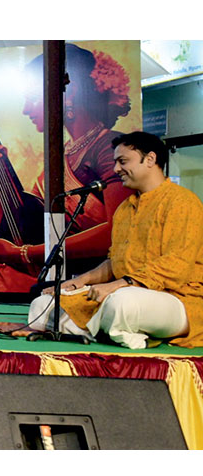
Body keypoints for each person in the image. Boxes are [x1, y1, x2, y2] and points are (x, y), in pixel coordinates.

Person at [0, 43, 134, 293]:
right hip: (43, 277)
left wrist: (24, 253)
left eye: (33, 98)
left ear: (68, 94)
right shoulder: (59, 159)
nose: (26, 109)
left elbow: (119, 232)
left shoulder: (109, 148)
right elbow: (19, 229)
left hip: (88, 281)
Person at [27, 132, 203, 349]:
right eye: (115, 163)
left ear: (150, 159)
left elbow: (176, 265)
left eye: (123, 161)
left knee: (121, 303)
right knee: (43, 306)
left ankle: (107, 329)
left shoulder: (182, 202)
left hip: (178, 299)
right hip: (126, 291)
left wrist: (116, 286)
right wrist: (79, 282)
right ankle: (114, 330)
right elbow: (115, 262)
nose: (116, 169)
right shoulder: (124, 209)